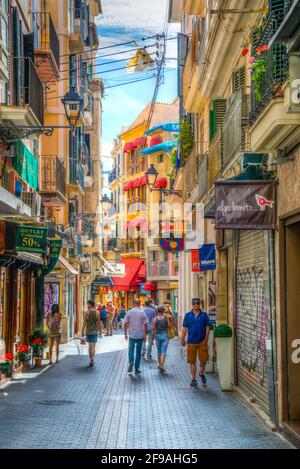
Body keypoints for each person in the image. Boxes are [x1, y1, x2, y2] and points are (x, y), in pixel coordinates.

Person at [181, 298, 209, 387]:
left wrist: (206, 339)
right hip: (191, 342)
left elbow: (207, 327)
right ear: (192, 304)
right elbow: (185, 328)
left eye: (197, 303)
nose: (196, 305)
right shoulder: (187, 315)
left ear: (199, 304)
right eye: (194, 303)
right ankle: (193, 379)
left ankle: (201, 373)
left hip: (202, 341)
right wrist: (182, 339)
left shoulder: (204, 315)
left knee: (203, 360)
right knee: (192, 361)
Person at [124, 299, 147, 375]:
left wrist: (125, 333)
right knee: (138, 352)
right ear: (140, 304)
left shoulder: (129, 312)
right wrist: (145, 335)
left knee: (130, 350)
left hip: (132, 334)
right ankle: (136, 368)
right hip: (140, 335)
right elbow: (145, 325)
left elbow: (125, 323)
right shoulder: (142, 313)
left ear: (134, 304)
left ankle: (131, 361)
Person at [152, 305, 173, 373]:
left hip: (157, 335)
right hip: (165, 335)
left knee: (159, 351)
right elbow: (170, 326)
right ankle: (161, 365)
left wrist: (152, 339)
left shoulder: (154, 319)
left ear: (157, 311)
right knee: (163, 351)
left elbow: (153, 329)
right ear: (163, 311)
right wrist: (168, 319)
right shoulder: (165, 317)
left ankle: (160, 364)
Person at [81, 300, 102, 367]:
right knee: (93, 346)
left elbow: (84, 323)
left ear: (90, 305)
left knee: (90, 346)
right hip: (94, 332)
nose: (87, 306)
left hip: (88, 331)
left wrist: (82, 331)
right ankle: (92, 359)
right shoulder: (97, 312)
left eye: (87, 304)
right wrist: (100, 331)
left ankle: (91, 359)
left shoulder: (86, 312)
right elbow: (99, 323)